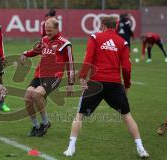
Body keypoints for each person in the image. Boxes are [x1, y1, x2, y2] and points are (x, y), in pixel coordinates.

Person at [63, 17, 149, 158]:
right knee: (127, 116)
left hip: (96, 83)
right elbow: (127, 68)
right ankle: (141, 148)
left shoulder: (95, 37)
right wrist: (126, 85)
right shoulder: (123, 42)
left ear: (102, 25)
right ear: (115, 26)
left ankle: (70, 148)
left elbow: (88, 58)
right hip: (114, 84)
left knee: (79, 115)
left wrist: (83, 76)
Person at [20, 18, 75, 137]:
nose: (47, 33)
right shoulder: (44, 39)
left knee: (36, 95)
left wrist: (70, 84)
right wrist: (25, 54)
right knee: (27, 98)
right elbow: (35, 51)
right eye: (46, 30)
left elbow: (70, 64)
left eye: (50, 30)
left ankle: (45, 123)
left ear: (56, 29)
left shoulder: (65, 44)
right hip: (39, 75)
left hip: (54, 76)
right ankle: (35, 126)